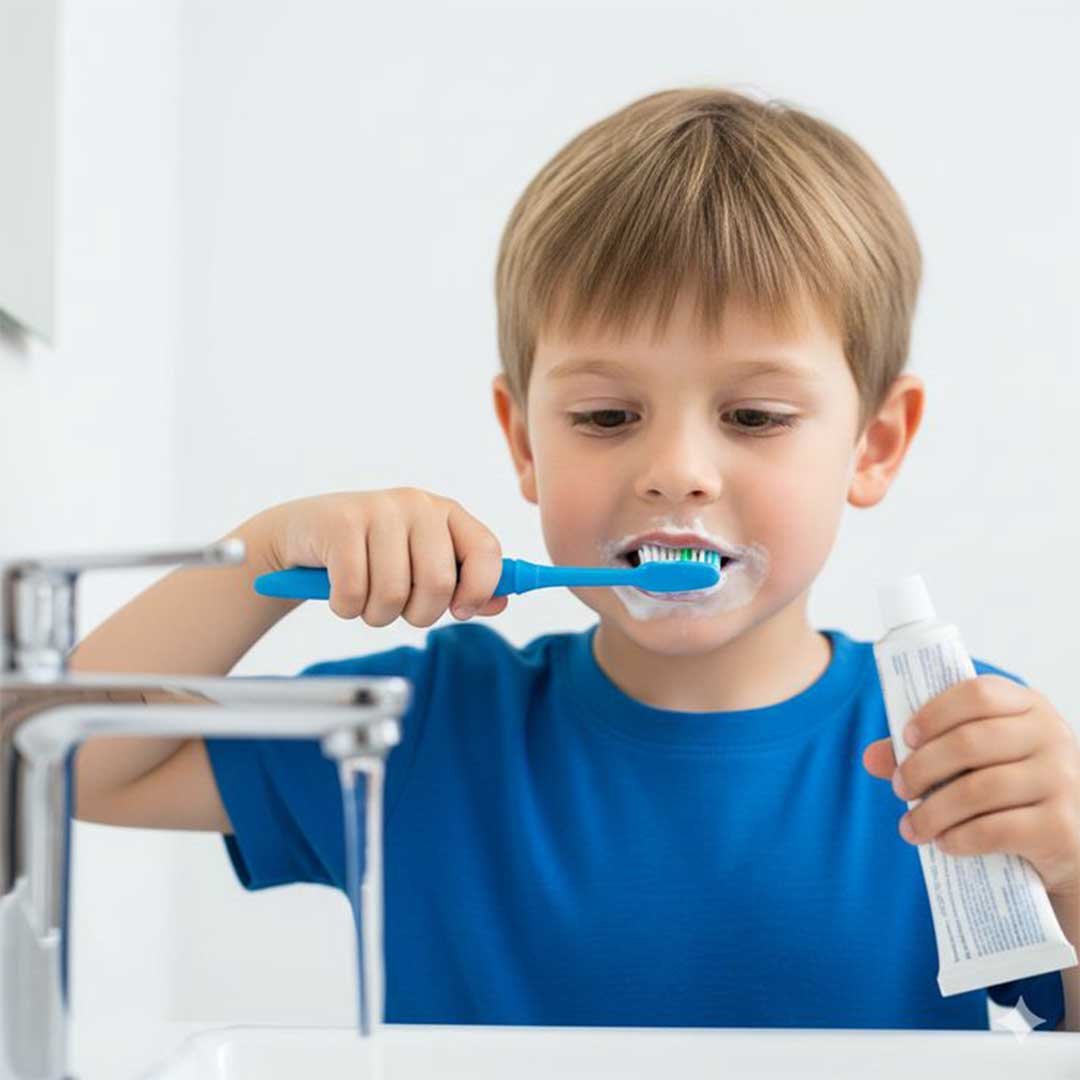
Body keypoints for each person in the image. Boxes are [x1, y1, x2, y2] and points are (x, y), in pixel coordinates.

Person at [71, 87, 1077, 1031]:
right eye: (606, 415)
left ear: (876, 443)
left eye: (755, 416)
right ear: (523, 442)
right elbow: (72, 764)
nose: (677, 470)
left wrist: (1071, 865)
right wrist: (266, 548)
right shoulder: (416, 733)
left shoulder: (955, 747)